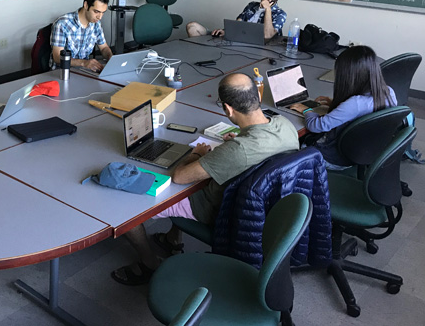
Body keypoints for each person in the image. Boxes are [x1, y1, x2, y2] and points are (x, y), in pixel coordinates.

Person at [111, 73, 299, 285]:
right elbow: (258, 147)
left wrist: (196, 154)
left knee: (129, 201)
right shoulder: (285, 124)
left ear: (228, 109)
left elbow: (180, 177)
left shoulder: (238, 151)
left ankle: (149, 263)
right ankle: (172, 238)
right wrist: (238, 141)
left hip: (215, 208)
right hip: (266, 207)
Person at [289, 45, 396, 169]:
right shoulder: (389, 92)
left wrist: (306, 110)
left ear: (348, 76)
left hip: (334, 159)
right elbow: (361, 110)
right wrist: (337, 103)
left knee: (291, 144)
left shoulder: (354, 104)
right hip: (362, 152)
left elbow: (316, 126)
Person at [186, 0, 287, 40]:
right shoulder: (252, 5)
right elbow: (238, 23)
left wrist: (268, 10)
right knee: (192, 27)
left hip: (255, 47)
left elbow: (267, 35)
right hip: (236, 39)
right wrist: (226, 31)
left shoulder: (280, 14)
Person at [51, 0, 113, 73]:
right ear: (86, 5)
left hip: (85, 71)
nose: (100, 17)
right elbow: (57, 57)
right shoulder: (62, 24)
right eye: (96, 11)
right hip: (63, 72)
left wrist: (110, 57)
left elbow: (104, 48)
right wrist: (84, 63)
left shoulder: (96, 24)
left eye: (103, 12)